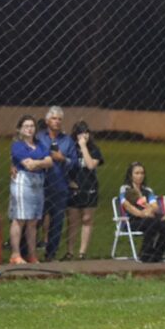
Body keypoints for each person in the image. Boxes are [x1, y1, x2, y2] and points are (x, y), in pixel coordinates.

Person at [34, 106, 77, 262]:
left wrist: (62, 159)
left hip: (60, 187)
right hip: (39, 186)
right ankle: (29, 253)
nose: (57, 121)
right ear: (47, 121)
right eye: (54, 118)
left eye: (59, 119)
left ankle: (51, 255)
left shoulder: (67, 141)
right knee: (34, 220)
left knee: (57, 222)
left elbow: (74, 163)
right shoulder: (38, 138)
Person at [8, 115, 52, 265]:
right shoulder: (18, 146)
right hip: (23, 182)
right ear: (20, 129)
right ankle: (15, 254)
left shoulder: (40, 144)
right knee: (19, 218)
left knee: (33, 221)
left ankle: (32, 255)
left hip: (38, 183)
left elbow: (50, 161)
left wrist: (37, 162)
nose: (29, 129)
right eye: (26, 126)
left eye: (32, 126)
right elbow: (28, 165)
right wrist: (42, 161)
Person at [118, 162, 165, 259]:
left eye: (142, 173)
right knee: (152, 222)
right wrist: (143, 214)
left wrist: (148, 208)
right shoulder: (125, 189)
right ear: (130, 175)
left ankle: (158, 254)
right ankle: (146, 253)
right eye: (136, 173)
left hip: (151, 218)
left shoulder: (147, 190)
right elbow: (128, 206)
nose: (140, 176)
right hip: (133, 221)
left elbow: (155, 207)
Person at [64, 121, 103, 260]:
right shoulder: (70, 148)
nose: (83, 135)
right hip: (73, 188)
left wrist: (83, 146)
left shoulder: (94, 149)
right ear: (75, 134)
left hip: (89, 188)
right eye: (80, 132)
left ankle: (82, 253)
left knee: (87, 219)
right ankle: (69, 252)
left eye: (86, 132)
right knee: (72, 221)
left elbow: (90, 165)